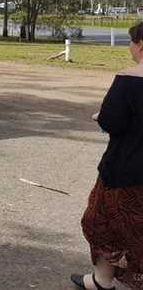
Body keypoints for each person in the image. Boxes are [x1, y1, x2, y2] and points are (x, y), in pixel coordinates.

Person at [71, 22, 143, 290]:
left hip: (127, 171)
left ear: (140, 45)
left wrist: (100, 117)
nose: (130, 47)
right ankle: (101, 279)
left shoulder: (129, 80)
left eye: (131, 41)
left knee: (101, 222)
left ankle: (103, 279)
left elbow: (113, 121)